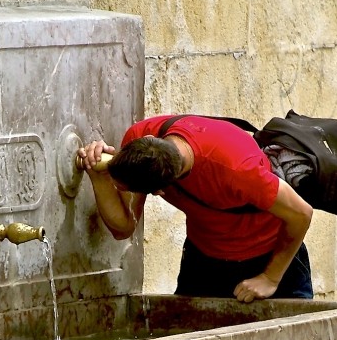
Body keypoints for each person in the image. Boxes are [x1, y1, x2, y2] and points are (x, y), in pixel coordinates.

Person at [77, 115, 314, 303]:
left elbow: (301, 213)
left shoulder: (238, 170)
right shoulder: (141, 136)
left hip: (268, 256)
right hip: (205, 258)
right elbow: (123, 227)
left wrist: (270, 278)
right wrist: (99, 175)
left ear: (160, 191)